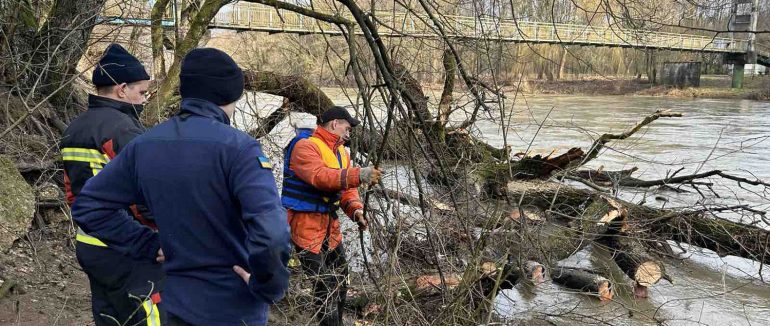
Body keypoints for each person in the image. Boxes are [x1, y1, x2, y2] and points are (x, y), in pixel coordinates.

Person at [71, 48, 291, 326]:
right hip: (233, 305)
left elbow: (89, 206)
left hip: (174, 302)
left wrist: (147, 245)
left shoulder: (145, 145)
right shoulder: (240, 149)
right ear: (229, 94)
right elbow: (272, 233)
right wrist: (269, 286)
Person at [60, 43, 163, 326]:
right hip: (129, 245)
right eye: (141, 92)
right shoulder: (123, 129)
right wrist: (162, 235)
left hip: (90, 242)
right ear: (122, 89)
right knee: (147, 316)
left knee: (109, 316)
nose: (144, 100)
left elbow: (72, 191)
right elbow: (144, 194)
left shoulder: (75, 127)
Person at [282, 106, 382, 325]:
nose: (349, 134)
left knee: (341, 277)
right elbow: (321, 177)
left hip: (330, 225)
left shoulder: (341, 153)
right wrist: (360, 174)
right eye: (347, 128)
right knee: (324, 284)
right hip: (305, 225)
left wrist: (356, 210)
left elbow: (347, 190)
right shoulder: (304, 147)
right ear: (334, 124)